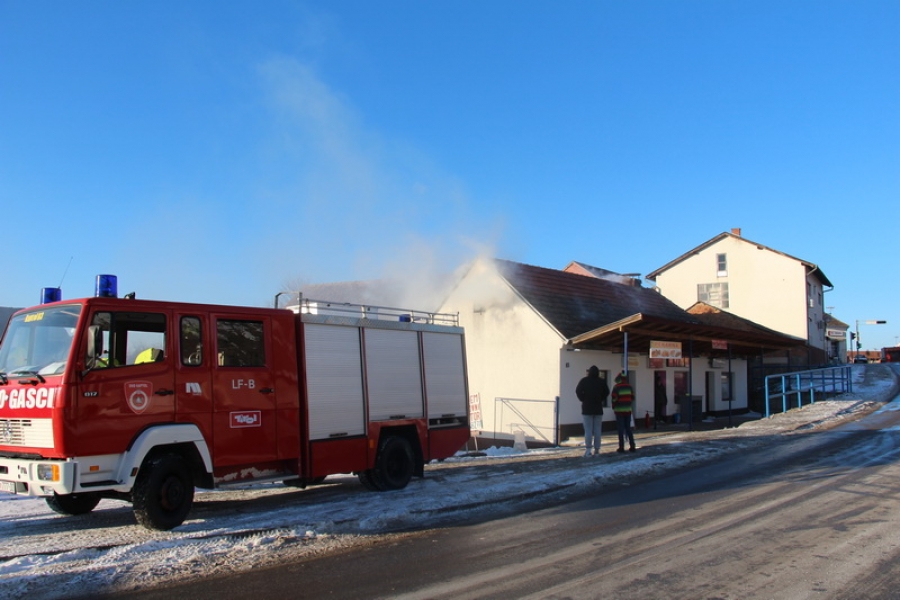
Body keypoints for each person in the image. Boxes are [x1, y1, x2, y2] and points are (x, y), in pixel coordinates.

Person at [575, 366, 609, 457]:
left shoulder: (584, 381)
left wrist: (583, 399)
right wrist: (601, 399)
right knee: (598, 430)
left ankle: (588, 449)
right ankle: (597, 449)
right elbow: (607, 392)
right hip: (598, 408)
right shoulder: (601, 381)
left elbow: (578, 391)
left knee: (588, 430)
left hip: (587, 408)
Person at [612, 371, 636, 453]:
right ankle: (632, 445)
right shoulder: (629, 387)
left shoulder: (616, 387)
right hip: (628, 410)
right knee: (628, 428)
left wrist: (614, 406)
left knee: (620, 429)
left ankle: (621, 447)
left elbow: (614, 399)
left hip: (619, 411)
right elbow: (632, 397)